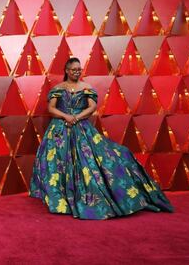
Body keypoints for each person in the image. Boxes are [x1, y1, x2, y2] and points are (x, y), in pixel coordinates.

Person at [30, 57, 173, 219]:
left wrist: (75, 118)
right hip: (59, 130)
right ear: (67, 70)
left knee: (110, 156)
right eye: (74, 69)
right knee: (58, 162)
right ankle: (61, 196)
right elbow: (51, 108)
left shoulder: (86, 88)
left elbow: (92, 107)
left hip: (81, 127)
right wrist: (66, 117)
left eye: (79, 69)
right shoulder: (58, 88)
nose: (77, 72)